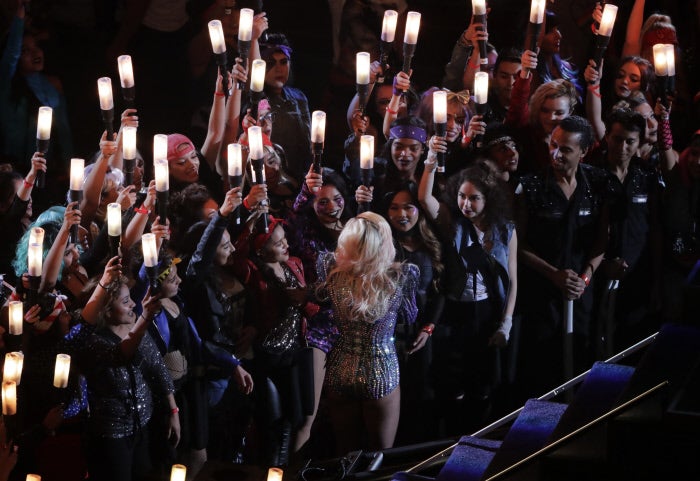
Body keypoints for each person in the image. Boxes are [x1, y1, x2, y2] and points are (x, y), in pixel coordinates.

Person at [419, 146, 517, 434]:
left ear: (489, 199)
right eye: (462, 196)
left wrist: (507, 323)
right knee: (452, 383)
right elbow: (425, 198)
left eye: (474, 198)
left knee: (483, 383)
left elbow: (512, 279)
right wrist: (430, 161)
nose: (466, 204)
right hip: (454, 312)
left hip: (487, 312)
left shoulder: (505, 229)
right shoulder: (454, 224)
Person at [514, 115, 609, 401]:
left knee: (583, 361)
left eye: (565, 149)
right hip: (541, 294)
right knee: (542, 367)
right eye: (553, 145)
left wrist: (585, 277)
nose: (556, 153)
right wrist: (553, 274)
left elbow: (603, 238)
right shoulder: (530, 186)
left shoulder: (599, 183)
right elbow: (517, 244)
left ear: (584, 151)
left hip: (582, 293)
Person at [316, 212, 418, 453]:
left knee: (345, 454)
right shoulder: (401, 276)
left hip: (340, 370)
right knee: (378, 457)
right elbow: (410, 317)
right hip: (381, 372)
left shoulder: (330, 270)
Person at [380, 184, 444, 445]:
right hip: (388, 335)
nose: (401, 214)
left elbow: (441, 291)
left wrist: (429, 327)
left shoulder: (432, 244)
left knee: (423, 396)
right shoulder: (383, 247)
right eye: (394, 208)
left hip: (423, 334)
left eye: (407, 206)